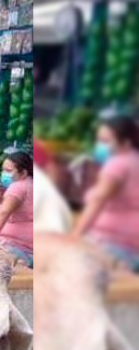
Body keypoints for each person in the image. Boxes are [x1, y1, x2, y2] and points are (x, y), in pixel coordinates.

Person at [73, 116, 139, 271]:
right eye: (99, 140)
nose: (100, 146)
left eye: (106, 141)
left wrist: (74, 237)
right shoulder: (134, 160)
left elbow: (98, 201)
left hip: (113, 244)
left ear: (125, 142)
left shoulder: (117, 165)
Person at [0, 151, 33, 267]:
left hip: (15, 248)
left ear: (23, 173)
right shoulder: (32, 184)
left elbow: (3, 213)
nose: (4, 174)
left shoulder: (18, 187)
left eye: (8, 171)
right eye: (3, 170)